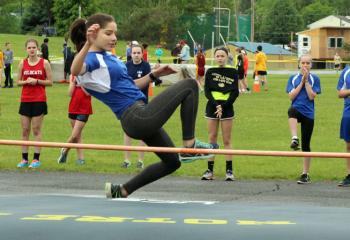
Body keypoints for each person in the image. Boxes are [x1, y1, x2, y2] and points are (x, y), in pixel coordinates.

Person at [69, 13, 215, 198]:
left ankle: (121, 190)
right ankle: (190, 146)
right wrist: (88, 45)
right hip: (136, 117)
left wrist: (154, 75)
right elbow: (75, 70)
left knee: (172, 163)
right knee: (190, 85)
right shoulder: (91, 59)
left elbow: (131, 86)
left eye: (115, 33)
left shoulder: (108, 57)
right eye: (108, 33)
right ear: (93, 35)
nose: (114, 38)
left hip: (139, 115)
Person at [201, 47, 239, 181]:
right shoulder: (210, 71)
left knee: (227, 140)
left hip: (227, 107)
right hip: (212, 106)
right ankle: (209, 171)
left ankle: (229, 171)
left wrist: (223, 106)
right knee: (212, 139)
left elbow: (235, 92)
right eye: (217, 56)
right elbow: (207, 91)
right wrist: (216, 105)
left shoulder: (233, 72)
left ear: (227, 56)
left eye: (222, 56)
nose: (220, 58)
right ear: (214, 57)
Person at [16, 39, 53, 168]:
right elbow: (18, 82)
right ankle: (24, 159)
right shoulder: (23, 63)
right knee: (25, 130)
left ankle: (36, 159)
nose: (31, 50)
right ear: (26, 49)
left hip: (39, 100)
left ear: (38, 49)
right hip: (25, 100)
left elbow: (50, 82)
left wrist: (37, 81)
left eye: (34, 47)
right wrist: (26, 82)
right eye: (29, 48)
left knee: (36, 130)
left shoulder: (45, 63)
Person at [286, 54, 321, 184]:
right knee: (291, 110)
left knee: (306, 145)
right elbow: (291, 96)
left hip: (309, 114)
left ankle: (305, 174)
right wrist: (301, 82)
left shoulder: (315, 79)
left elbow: (312, 96)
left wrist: (306, 81)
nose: (305, 65)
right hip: (297, 110)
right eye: (303, 63)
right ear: (299, 64)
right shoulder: (293, 78)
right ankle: (294, 138)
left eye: (308, 63)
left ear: (311, 65)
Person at [122, 44, 152, 169]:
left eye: (138, 53)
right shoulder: (126, 65)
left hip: (142, 102)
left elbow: (151, 79)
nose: (136, 55)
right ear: (131, 54)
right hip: (127, 102)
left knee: (142, 131)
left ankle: (140, 160)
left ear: (142, 53)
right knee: (127, 131)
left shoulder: (145, 66)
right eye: (134, 53)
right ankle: (127, 160)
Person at [57, 74, 93, 165]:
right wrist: (73, 82)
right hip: (73, 107)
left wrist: (81, 84)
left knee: (74, 135)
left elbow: (88, 93)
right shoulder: (73, 75)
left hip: (84, 108)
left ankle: (64, 149)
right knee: (77, 135)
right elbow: (70, 93)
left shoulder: (90, 76)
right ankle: (81, 159)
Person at [336, 66, 350, 187]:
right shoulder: (347, 71)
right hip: (348, 113)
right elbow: (340, 93)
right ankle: (349, 175)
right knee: (349, 146)